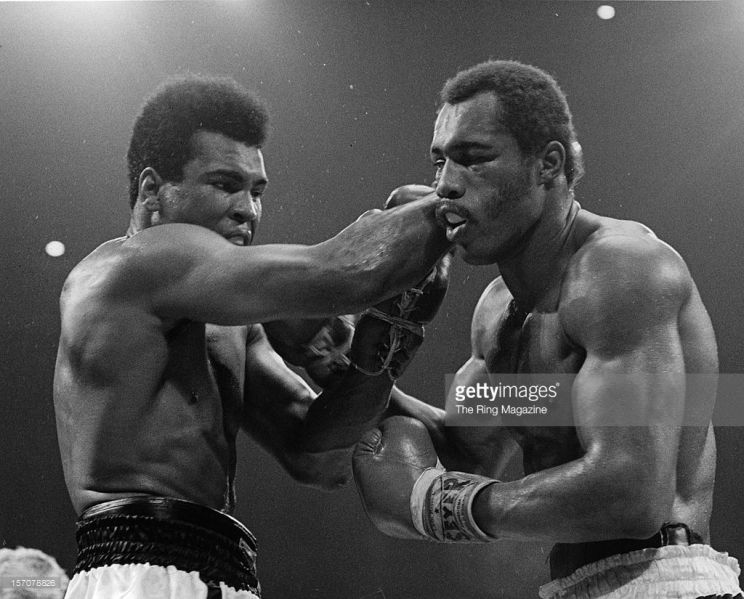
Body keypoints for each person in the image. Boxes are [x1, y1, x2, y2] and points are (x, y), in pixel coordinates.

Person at [352, 60, 743, 598]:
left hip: (663, 580)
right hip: (573, 585)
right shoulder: (498, 311)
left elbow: (631, 494)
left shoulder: (621, 269)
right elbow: (468, 450)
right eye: (440, 161)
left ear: (548, 163)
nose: (445, 185)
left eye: (474, 159)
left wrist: (437, 505)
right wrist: (352, 362)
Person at [53, 74, 451, 599]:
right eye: (225, 184)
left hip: (223, 567)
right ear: (153, 190)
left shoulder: (232, 324)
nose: (248, 209)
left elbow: (317, 458)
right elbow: (345, 271)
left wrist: (387, 342)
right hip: (136, 568)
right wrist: (454, 200)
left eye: (256, 191)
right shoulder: (131, 267)